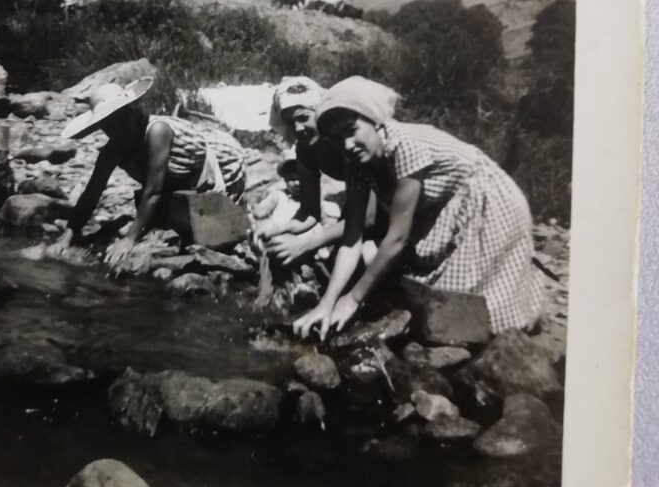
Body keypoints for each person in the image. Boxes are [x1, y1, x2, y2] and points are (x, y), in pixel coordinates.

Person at [293, 76, 544, 340]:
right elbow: (352, 236)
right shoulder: (356, 161)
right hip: (449, 205)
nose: (346, 145)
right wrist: (327, 303)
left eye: (351, 130)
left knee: (468, 301)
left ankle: (515, 326)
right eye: (336, 140)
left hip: (488, 199)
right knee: (430, 298)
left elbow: (397, 238)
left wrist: (353, 299)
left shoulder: (405, 145)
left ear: (374, 120)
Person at [50, 78, 247, 268]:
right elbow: (92, 192)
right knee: (164, 214)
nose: (114, 128)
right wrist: (69, 235)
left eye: (119, 119)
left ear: (131, 112)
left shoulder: (157, 131)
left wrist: (129, 240)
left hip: (223, 160)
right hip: (180, 174)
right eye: (107, 124)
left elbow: (153, 191)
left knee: (206, 235)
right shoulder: (113, 149)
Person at [256, 76, 379, 267]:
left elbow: (368, 218)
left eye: (303, 118)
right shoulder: (306, 149)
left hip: (392, 200)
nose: (297, 128)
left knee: (368, 257)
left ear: (321, 112)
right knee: (338, 261)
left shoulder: (348, 141)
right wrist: (280, 230)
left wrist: (306, 243)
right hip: (360, 202)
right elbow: (309, 211)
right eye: (290, 122)